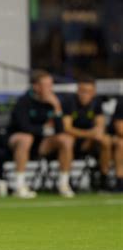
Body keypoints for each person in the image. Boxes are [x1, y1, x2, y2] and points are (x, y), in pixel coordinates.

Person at [8, 70, 75, 198]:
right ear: (36, 86)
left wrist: (57, 107)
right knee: (26, 138)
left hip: (43, 143)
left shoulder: (54, 101)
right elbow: (24, 127)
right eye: (46, 85)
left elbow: (60, 130)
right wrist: (43, 129)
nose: (50, 89)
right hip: (19, 141)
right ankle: (20, 185)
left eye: (51, 85)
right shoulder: (24, 101)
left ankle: (64, 184)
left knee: (66, 139)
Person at [62, 76, 112, 190]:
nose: (84, 94)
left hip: (88, 141)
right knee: (67, 140)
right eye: (82, 91)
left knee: (105, 140)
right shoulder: (69, 102)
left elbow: (100, 124)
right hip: (72, 141)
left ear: (93, 92)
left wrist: (97, 133)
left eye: (88, 91)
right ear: (78, 91)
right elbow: (67, 128)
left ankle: (104, 179)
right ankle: (65, 180)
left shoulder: (96, 103)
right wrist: (89, 134)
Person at [110, 97, 123, 192]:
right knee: (121, 144)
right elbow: (120, 130)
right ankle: (120, 181)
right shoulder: (122, 102)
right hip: (114, 137)